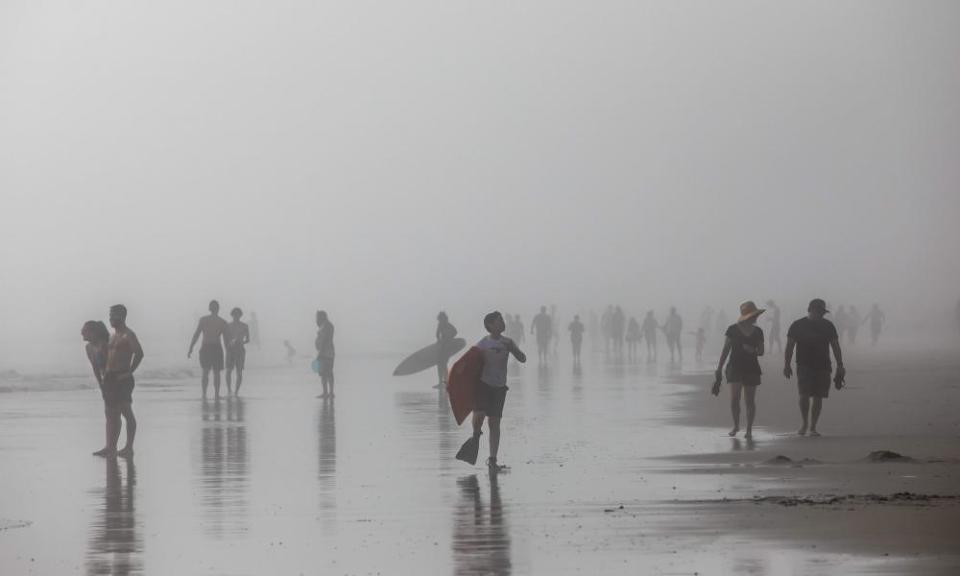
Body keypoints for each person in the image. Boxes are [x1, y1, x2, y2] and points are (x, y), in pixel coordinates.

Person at [470, 311, 526, 471]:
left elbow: (523, 358)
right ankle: (475, 434)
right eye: (499, 321)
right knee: (479, 415)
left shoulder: (507, 342)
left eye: (502, 320)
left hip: (499, 387)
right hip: (483, 385)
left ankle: (493, 460)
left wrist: (513, 349)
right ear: (490, 325)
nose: (502, 323)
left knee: (494, 423)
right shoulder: (482, 344)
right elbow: (469, 365)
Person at [784, 299, 845, 437]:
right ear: (810, 309)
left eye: (822, 312)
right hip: (804, 365)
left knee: (818, 396)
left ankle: (813, 427)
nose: (821, 314)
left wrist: (840, 365)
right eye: (819, 311)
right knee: (804, 395)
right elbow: (789, 346)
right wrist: (787, 364)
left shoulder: (828, 325)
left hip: (823, 365)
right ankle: (804, 423)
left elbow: (835, 345)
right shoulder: (797, 325)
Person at [93, 304, 143, 457]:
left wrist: (129, 372)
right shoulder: (113, 336)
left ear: (121, 316)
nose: (110, 319)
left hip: (123, 377)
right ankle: (110, 446)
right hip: (110, 378)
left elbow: (139, 353)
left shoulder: (128, 335)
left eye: (112, 315)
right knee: (111, 414)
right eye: (109, 315)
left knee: (126, 412)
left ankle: (129, 447)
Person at [713, 302, 765, 439]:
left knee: (750, 400)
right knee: (734, 399)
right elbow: (725, 350)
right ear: (748, 316)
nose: (756, 317)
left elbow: (761, 351)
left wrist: (752, 350)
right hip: (734, 367)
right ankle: (736, 425)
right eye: (754, 315)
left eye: (756, 315)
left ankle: (749, 429)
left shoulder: (758, 331)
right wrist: (719, 368)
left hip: (752, 368)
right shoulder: (732, 330)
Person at [188, 300, 228, 399]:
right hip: (215, 348)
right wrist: (228, 353)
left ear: (209, 308)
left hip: (207, 347)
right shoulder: (222, 322)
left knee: (206, 372)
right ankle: (215, 394)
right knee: (216, 373)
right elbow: (226, 340)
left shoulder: (204, 320)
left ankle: (204, 394)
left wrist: (191, 347)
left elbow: (196, 335)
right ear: (218, 309)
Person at [82, 320, 111, 453]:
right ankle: (110, 446)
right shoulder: (88, 348)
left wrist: (109, 383)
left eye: (85, 330)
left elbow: (112, 364)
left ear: (93, 332)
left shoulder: (104, 345)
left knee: (122, 412)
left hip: (116, 379)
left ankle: (122, 446)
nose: (82, 332)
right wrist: (101, 385)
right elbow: (95, 367)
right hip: (106, 380)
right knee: (109, 413)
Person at [224, 307, 250, 396]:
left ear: (240, 315)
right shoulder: (228, 325)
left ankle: (236, 391)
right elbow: (225, 338)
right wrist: (228, 344)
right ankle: (229, 390)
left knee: (239, 371)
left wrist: (241, 341)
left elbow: (248, 339)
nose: (236, 316)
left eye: (238, 315)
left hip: (240, 349)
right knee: (228, 370)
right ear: (232, 315)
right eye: (234, 315)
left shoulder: (244, 326)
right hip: (230, 349)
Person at [315, 310, 336, 398]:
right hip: (329, 352)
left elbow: (324, 340)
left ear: (321, 317)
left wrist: (320, 353)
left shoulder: (326, 326)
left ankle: (327, 393)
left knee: (325, 373)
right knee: (327, 373)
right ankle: (329, 393)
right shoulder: (328, 325)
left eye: (317, 317)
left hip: (325, 352)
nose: (316, 319)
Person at [436, 311, 458, 388]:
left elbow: (455, 332)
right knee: (439, 364)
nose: (439, 321)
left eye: (440, 319)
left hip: (447, 347)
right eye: (439, 320)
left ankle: (446, 382)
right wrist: (438, 340)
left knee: (444, 364)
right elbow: (437, 333)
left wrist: (450, 338)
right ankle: (440, 382)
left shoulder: (449, 325)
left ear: (444, 318)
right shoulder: (440, 325)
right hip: (442, 346)